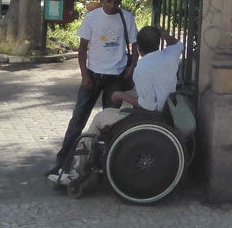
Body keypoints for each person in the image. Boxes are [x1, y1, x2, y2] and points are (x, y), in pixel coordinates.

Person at [49, 25, 184, 185]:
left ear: (139, 48)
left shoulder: (142, 68)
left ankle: (78, 171)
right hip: (165, 111)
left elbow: (147, 105)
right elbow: (178, 44)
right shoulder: (170, 56)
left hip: (149, 116)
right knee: (114, 111)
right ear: (158, 43)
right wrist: (164, 34)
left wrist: (121, 95)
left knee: (99, 119)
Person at [46, 0, 137, 179]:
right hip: (93, 75)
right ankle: (62, 161)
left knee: (109, 122)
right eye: (109, 1)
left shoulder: (126, 18)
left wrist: (131, 68)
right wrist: (84, 75)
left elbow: (134, 46)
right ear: (102, 0)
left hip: (116, 77)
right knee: (78, 119)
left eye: (116, 2)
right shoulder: (92, 18)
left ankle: (104, 164)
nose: (112, 6)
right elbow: (82, 49)